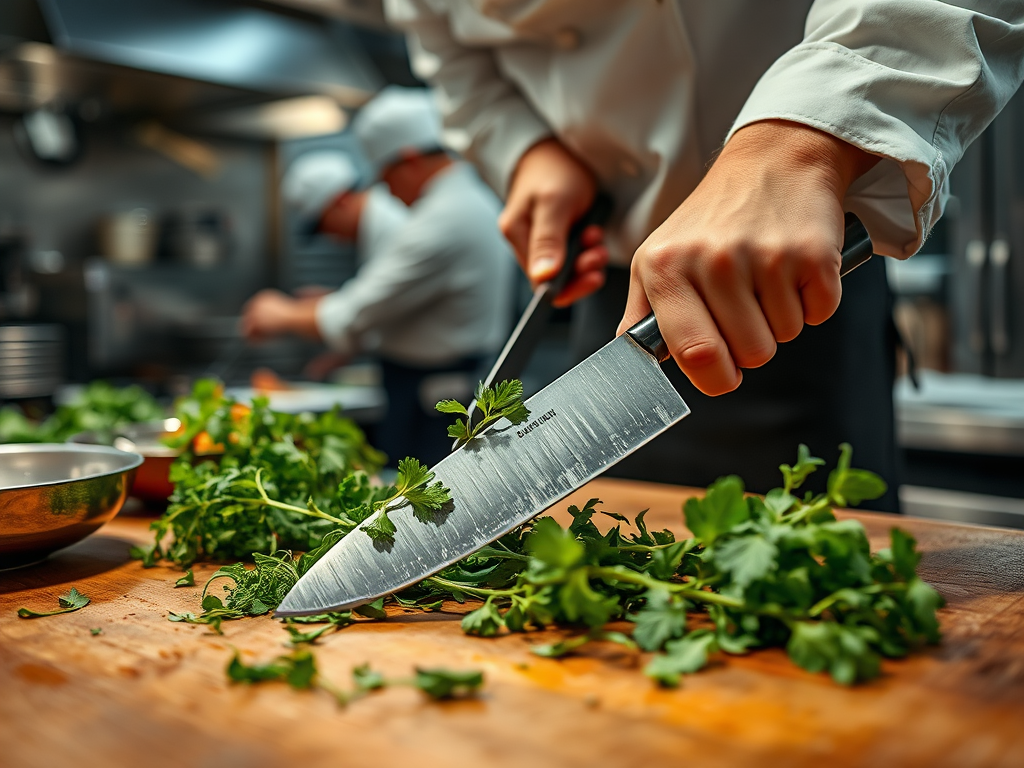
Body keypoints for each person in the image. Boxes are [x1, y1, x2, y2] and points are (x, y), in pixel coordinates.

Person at [383, 0, 1024, 509]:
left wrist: (802, 137)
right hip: (620, 311)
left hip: (796, 290)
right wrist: (525, 149)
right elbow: (447, 49)